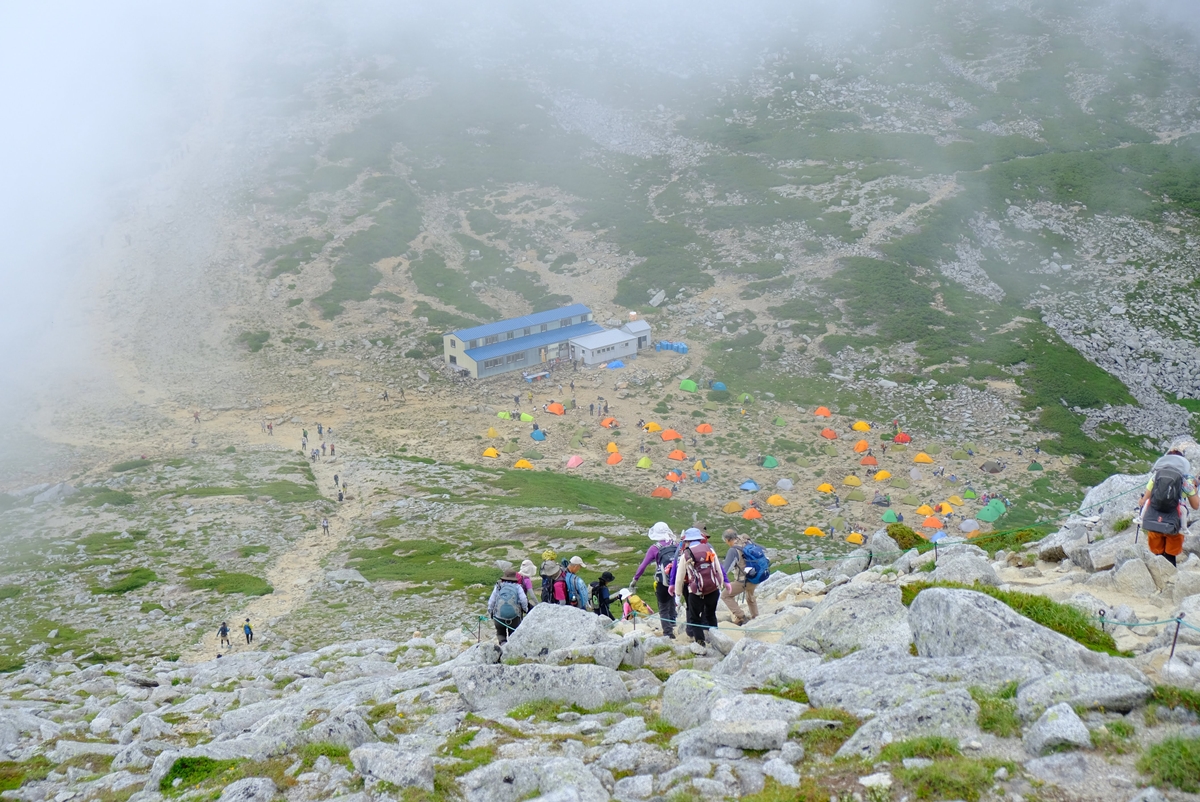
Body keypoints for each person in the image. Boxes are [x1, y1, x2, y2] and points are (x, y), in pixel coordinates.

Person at [1139, 445, 1199, 566]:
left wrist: (1141, 500)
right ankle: (1171, 572)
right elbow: (1196, 505)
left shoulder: (1156, 477)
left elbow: (1143, 501)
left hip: (1155, 520)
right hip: (1174, 522)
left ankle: (1157, 573)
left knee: (1157, 554)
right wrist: (1195, 488)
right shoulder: (1186, 481)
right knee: (1171, 555)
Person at [674, 528, 728, 649]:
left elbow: (679, 577)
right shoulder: (709, 549)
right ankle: (716, 642)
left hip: (696, 591)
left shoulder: (686, 554)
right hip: (713, 589)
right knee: (711, 615)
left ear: (688, 541)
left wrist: (677, 595)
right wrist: (720, 586)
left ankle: (700, 643)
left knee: (694, 618)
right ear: (699, 538)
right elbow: (718, 569)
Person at [630, 522, 678, 638]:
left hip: (663, 580)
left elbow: (643, 565)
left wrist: (635, 579)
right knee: (672, 598)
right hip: (677, 579)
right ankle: (673, 622)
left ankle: (668, 633)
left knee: (663, 607)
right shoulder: (675, 544)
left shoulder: (655, 548)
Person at [720, 530, 765, 626]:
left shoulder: (733, 550)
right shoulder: (747, 541)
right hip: (756, 576)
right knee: (750, 596)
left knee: (725, 595)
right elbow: (763, 550)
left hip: (744, 581)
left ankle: (741, 616)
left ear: (727, 540)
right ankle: (755, 617)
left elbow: (725, 570)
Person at [487, 568, 529, 645]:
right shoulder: (518, 587)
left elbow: (492, 600)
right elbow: (523, 599)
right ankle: (511, 647)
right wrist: (525, 609)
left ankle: (502, 644)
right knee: (513, 634)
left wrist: (490, 611)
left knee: (500, 633)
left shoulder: (499, 586)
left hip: (499, 617)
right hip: (514, 618)